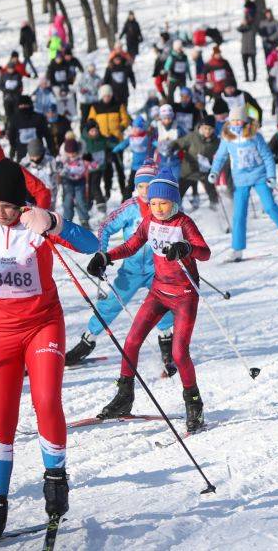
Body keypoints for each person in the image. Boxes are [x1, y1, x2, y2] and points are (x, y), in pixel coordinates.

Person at [0, 160, 98, 545]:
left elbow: (92, 245)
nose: (0, 213)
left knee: (45, 400)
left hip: (42, 325)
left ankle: (56, 482)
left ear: (21, 202)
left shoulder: (33, 222)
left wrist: (56, 223)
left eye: (7, 206)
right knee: (1, 416)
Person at [88, 167, 210, 433]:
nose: (157, 208)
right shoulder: (149, 222)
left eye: (163, 202)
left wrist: (187, 247)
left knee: (179, 353)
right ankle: (124, 397)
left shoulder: (184, 223)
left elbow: (205, 253)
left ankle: (194, 404)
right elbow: (131, 245)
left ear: (174, 202)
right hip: (158, 291)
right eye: (153, 203)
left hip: (184, 296)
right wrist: (106, 257)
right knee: (130, 341)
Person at [66, 161, 177, 371]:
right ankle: (87, 340)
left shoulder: (165, 206)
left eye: (149, 186)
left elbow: (179, 230)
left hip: (159, 269)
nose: (145, 191)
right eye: (141, 186)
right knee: (111, 304)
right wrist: (102, 253)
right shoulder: (131, 208)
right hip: (132, 269)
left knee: (165, 304)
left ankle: (166, 342)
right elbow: (106, 226)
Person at [208, 106, 278, 262]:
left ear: (244, 120)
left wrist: (271, 175)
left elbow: (267, 157)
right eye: (233, 120)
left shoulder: (254, 136)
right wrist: (214, 172)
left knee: (270, 206)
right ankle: (237, 249)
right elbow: (220, 157)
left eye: (238, 119)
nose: (236, 123)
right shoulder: (227, 137)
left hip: (259, 176)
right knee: (239, 214)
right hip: (241, 180)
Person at [89, 85, 131, 201]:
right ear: (101, 96)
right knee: (106, 168)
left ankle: (123, 190)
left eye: (108, 95)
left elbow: (126, 120)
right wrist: (96, 132)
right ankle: (107, 190)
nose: (107, 97)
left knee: (119, 166)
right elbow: (91, 122)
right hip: (103, 142)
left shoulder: (118, 105)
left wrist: (120, 129)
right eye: (104, 95)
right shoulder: (96, 107)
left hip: (116, 141)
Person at [176, 116, 221, 209]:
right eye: (205, 128)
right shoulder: (192, 136)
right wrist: (172, 147)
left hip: (204, 170)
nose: (207, 131)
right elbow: (179, 143)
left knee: (210, 188)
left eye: (210, 129)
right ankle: (176, 207)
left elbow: (222, 153)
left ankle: (215, 205)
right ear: (201, 127)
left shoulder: (216, 141)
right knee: (180, 190)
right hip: (189, 170)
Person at [58, 135, 92, 228]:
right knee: (67, 200)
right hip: (67, 181)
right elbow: (58, 168)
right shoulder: (62, 158)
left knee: (80, 199)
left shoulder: (83, 156)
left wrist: (90, 164)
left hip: (80, 180)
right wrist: (60, 172)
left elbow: (92, 164)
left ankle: (84, 220)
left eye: (74, 153)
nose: (72, 155)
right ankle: (67, 221)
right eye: (69, 153)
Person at [7, 96, 53, 162]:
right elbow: (11, 136)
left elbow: (47, 134)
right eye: (21, 105)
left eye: (25, 104)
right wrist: (14, 149)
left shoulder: (38, 118)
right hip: (22, 153)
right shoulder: (14, 119)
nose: (23, 106)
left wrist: (51, 149)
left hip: (38, 153)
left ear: (30, 105)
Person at [21, 139, 59, 211]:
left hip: (48, 197)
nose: (35, 159)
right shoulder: (24, 163)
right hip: (31, 198)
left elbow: (55, 180)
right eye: (33, 156)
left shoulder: (51, 161)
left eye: (37, 156)